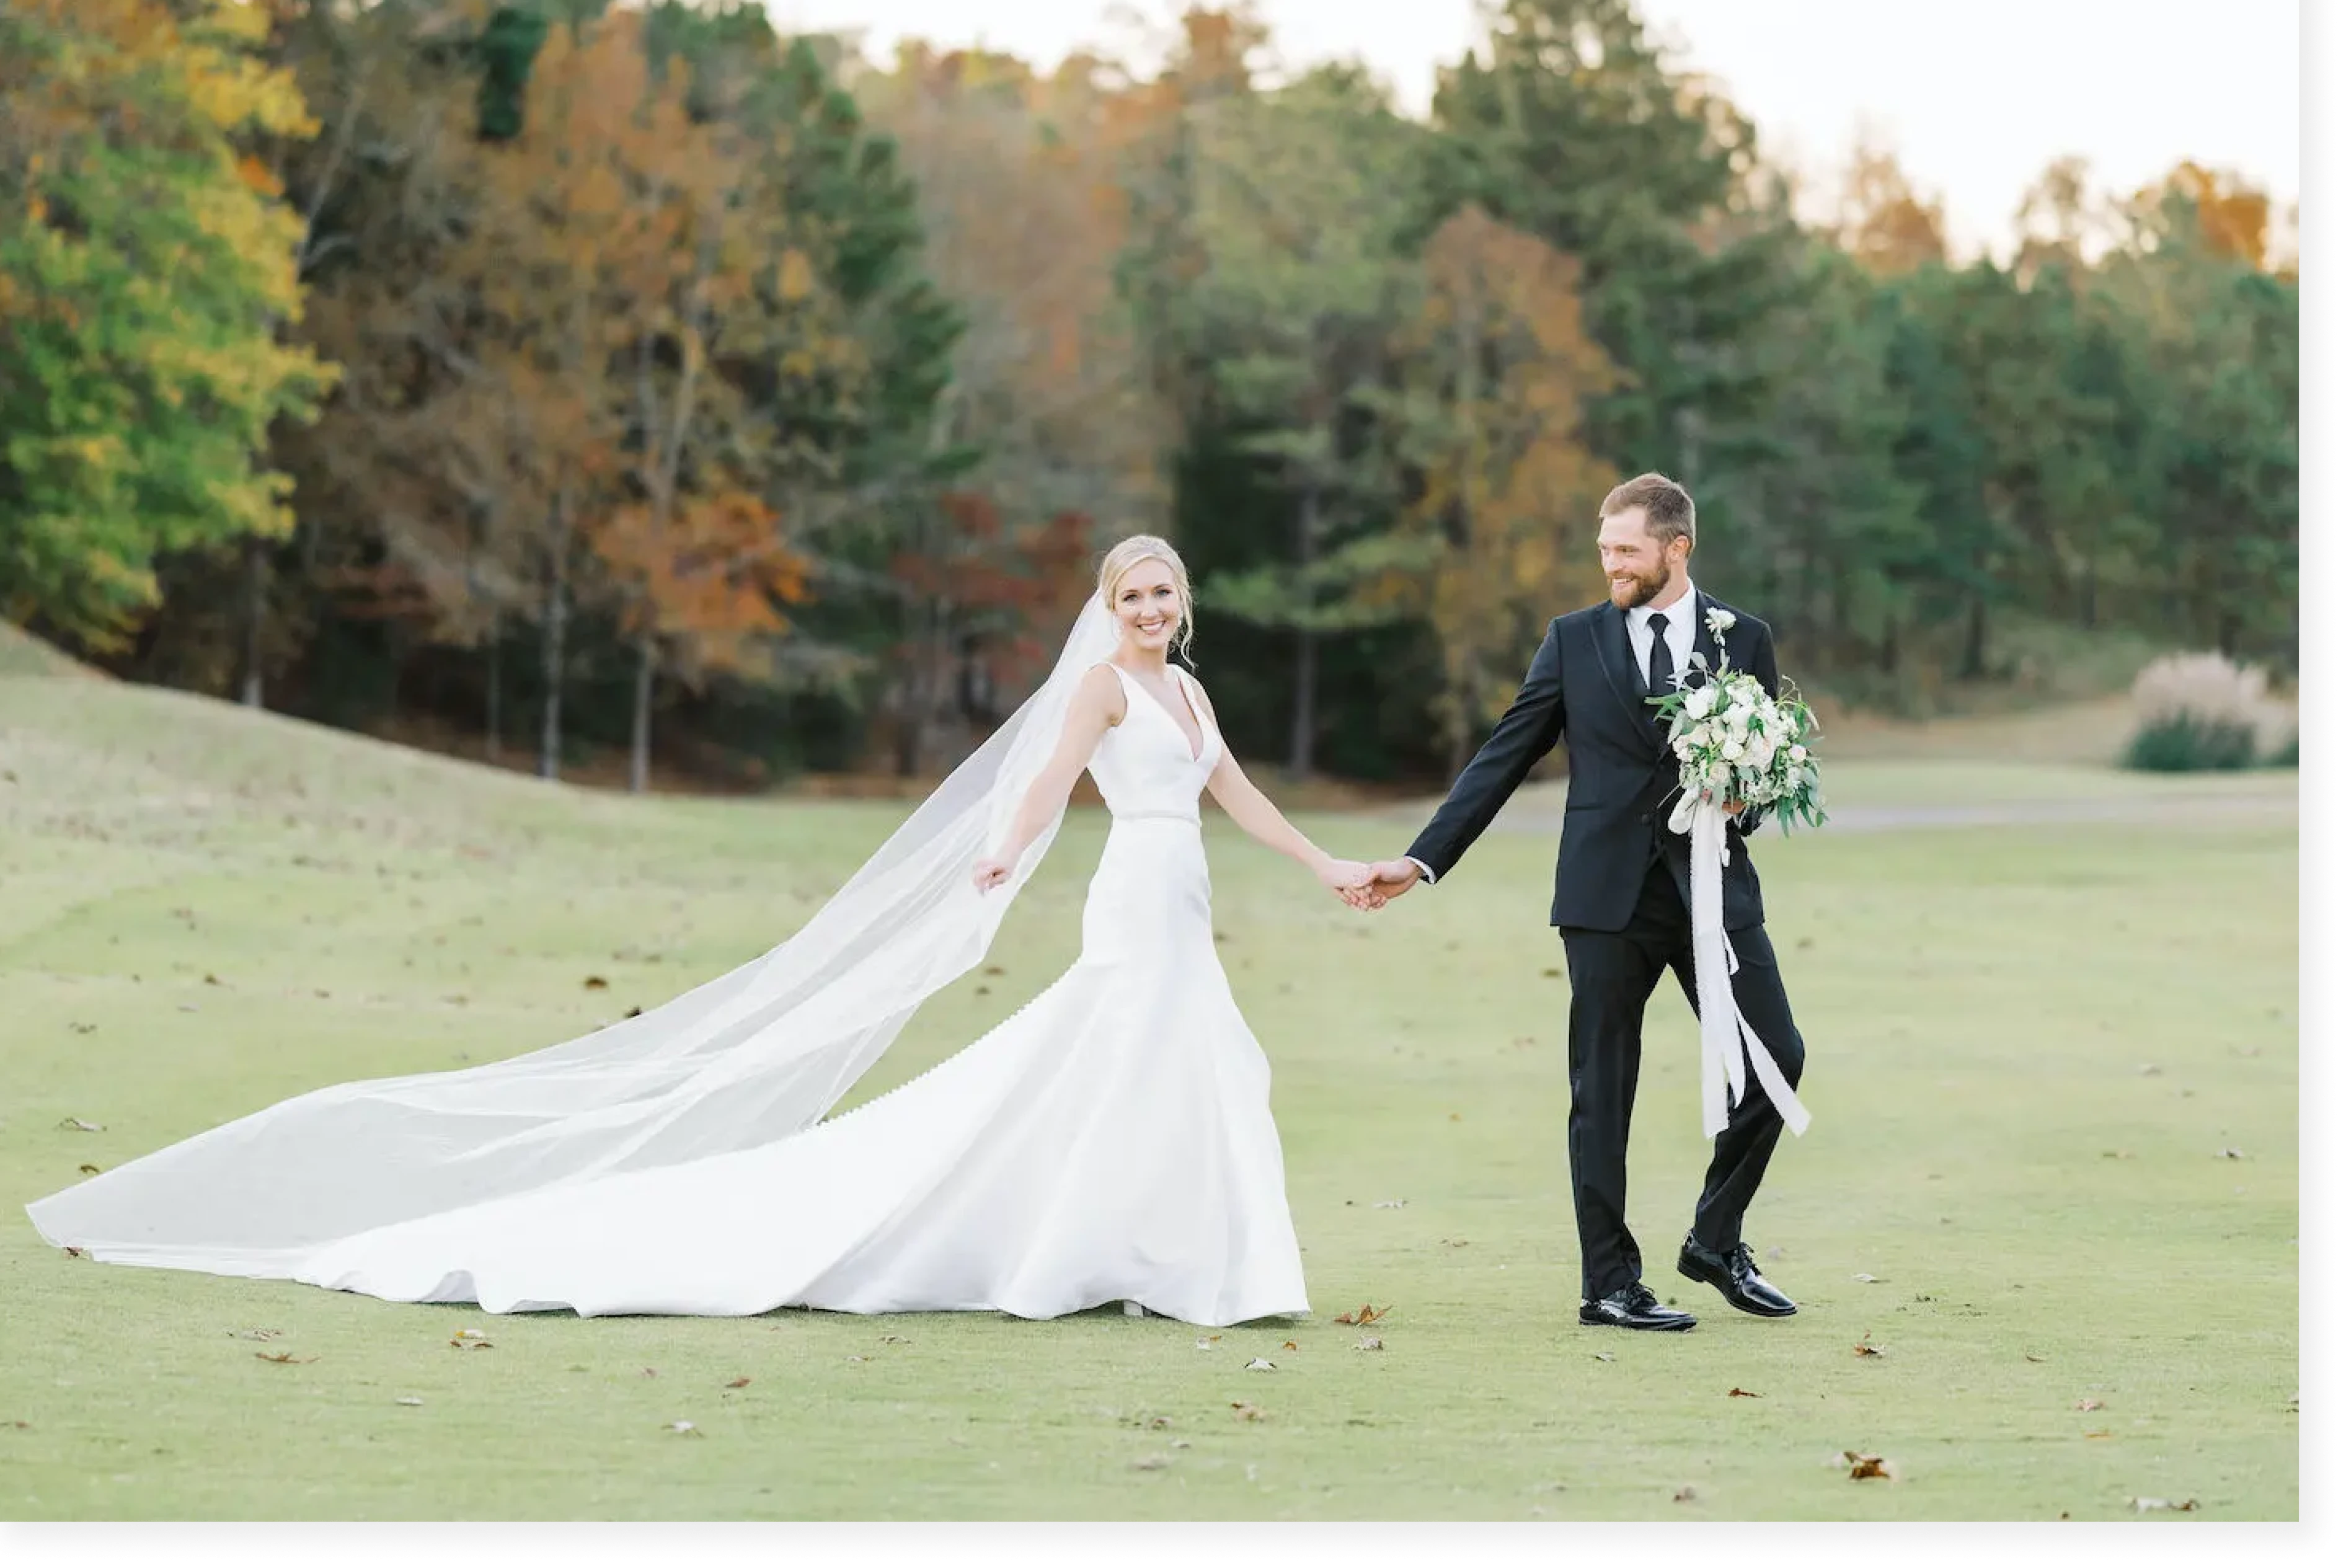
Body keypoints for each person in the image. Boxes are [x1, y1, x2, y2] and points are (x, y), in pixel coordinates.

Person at [27, 536, 1377, 1327]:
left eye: (1161, 598)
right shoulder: (1096, 688)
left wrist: (1326, 863)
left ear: (1181, 606)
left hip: (1182, 892)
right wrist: (996, 852)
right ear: (1109, 606)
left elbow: (1235, 795)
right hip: (1126, 897)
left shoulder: (1191, 697)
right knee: (1120, 1054)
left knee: (1177, 1062)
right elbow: (1034, 786)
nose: (1148, 613)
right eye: (1131, 597)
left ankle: (1153, 1255)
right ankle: (1110, 1255)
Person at [1358, 474, 1807, 1333]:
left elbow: (1763, 765)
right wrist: (1420, 862)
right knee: (1602, 1089)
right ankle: (1609, 1284)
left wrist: (1749, 789)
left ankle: (1715, 1239)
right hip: (1604, 900)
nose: (1611, 565)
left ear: (1677, 549)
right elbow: (1504, 755)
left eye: (1628, 551)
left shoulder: (1743, 638)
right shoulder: (1572, 641)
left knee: (1777, 1056)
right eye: (1605, 550)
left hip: (1712, 892)